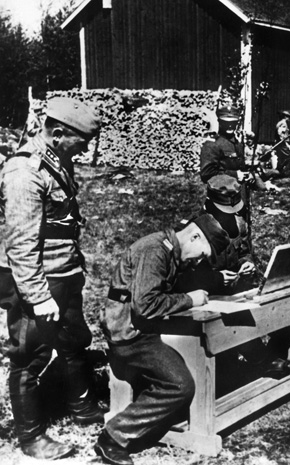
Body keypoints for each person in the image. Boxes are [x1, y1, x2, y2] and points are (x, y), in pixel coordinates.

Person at [0, 97, 103, 460]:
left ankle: (82, 406)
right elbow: (21, 244)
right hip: (36, 281)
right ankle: (30, 436)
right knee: (30, 354)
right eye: (82, 142)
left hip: (64, 272)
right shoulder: (24, 172)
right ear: (58, 133)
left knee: (74, 339)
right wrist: (38, 297)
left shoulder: (56, 161)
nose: (86, 149)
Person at [94, 214, 230, 465]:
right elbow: (145, 306)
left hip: (150, 329)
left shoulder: (170, 250)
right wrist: (190, 299)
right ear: (194, 235)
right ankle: (113, 437)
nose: (198, 261)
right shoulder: (155, 250)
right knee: (179, 385)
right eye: (201, 255)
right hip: (131, 335)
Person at [199, 105, 249, 184]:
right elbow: (207, 174)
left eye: (233, 122)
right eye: (226, 122)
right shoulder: (212, 144)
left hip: (239, 192)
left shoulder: (238, 144)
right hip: (221, 193)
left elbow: (239, 167)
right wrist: (235, 174)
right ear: (219, 122)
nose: (230, 126)